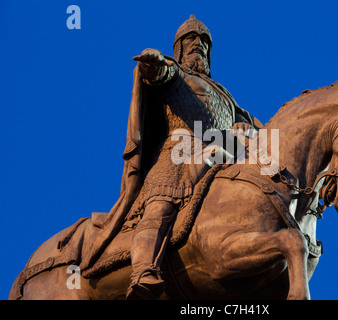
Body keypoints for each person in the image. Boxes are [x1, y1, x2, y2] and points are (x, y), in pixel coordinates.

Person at [119, 15, 258, 299]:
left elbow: (257, 127)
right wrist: (153, 63)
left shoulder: (225, 96)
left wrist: (248, 127)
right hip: (177, 155)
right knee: (160, 206)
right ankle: (143, 270)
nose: (199, 46)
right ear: (180, 47)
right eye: (192, 40)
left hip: (220, 156)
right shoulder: (176, 73)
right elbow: (158, 74)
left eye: (204, 42)